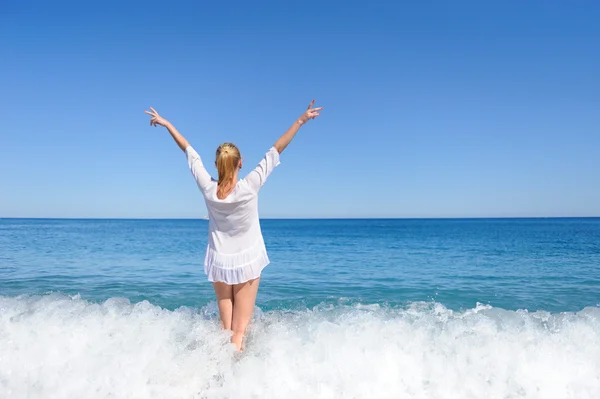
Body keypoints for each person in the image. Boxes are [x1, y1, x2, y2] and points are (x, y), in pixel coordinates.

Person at [144, 101, 323, 350]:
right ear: (240, 163)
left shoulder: (208, 189)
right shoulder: (250, 186)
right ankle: (233, 380)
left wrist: (167, 124)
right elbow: (277, 149)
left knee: (225, 330)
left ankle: (218, 372)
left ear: (218, 165)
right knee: (240, 332)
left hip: (219, 261)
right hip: (247, 260)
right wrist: (301, 120)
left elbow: (189, 152)